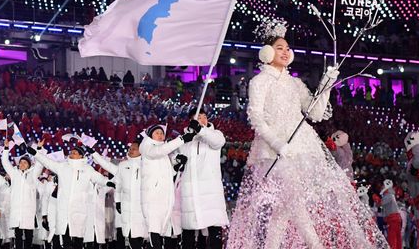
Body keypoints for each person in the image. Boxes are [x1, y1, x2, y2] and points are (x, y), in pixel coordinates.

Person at [226, 31, 387, 248]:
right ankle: (315, 245)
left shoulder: (295, 83)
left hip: (300, 148)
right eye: (280, 48)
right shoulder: (259, 81)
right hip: (273, 152)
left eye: (287, 48)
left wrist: (326, 84)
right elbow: (256, 117)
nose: (285, 52)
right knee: (294, 199)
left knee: (284, 209)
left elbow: (316, 112)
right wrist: (277, 144)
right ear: (267, 52)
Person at [32, 140, 106, 249]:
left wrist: (108, 182)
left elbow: (99, 178)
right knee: (65, 236)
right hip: (64, 208)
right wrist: (36, 153)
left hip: (79, 208)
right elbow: (47, 162)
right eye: (71, 152)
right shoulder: (62, 166)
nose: (71, 154)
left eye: (75, 153)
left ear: (81, 156)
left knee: (78, 238)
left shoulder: (87, 169)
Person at [139, 124, 196, 249]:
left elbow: (167, 172)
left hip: (163, 195)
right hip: (152, 196)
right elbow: (159, 151)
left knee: (160, 229)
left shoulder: (162, 152)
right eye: (157, 133)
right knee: (154, 228)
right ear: (150, 136)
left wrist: (176, 164)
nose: (160, 135)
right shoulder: (147, 147)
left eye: (161, 133)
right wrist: (182, 139)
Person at [179, 110, 228, 249]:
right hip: (191, 191)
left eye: (204, 117)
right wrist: (176, 161)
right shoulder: (185, 140)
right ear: (191, 121)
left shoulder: (215, 134)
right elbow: (176, 157)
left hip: (210, 191)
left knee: (214, 228)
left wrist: (201, 130)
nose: (202, 120)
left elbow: (218, 142)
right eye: (198, 118)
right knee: (189, 230)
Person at [89, 139, 148, 249]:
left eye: (134, 149)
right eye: (130, 148)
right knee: (131, 236)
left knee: (141, 237)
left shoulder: (147, 165)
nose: (130, 150)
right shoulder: (123, 165)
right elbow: (115, 180)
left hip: (142, 207)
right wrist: (118, 201)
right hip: (127, 208)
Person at [0, 141, 44, 249]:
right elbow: (5, 162)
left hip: (29, 210)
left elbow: (40, 164)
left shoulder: (33, 174)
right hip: (17, 210)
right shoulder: (14, 174)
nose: (22, 164)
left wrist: (39, 149)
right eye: (21, 162)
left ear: (29, 165)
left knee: (29, 235)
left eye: (25, 162)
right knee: (18, 235)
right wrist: (6, 148)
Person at [379, 180, 402, 249]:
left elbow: (381, 203)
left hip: (393, 218)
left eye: (383, 185)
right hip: (395, 218)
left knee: (392, 237)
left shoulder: (388, 195)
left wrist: (377, 199)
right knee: (397, 237)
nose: (381, 187)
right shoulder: (390, 194)